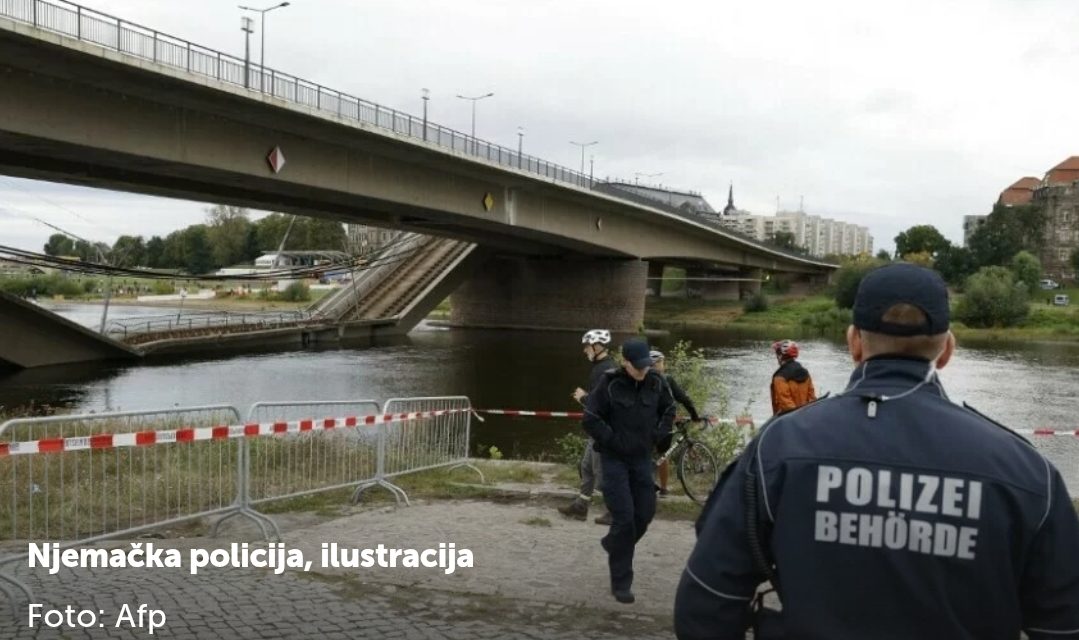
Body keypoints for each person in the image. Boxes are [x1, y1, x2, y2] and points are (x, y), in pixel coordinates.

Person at [674, 263, 1079, 639]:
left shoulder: (778, 449)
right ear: (947, 351)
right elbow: (1064, 625)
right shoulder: (1026, 472)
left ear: (854, 343)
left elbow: (706, 602)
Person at [583, 337, 675, 604]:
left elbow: (669, 408)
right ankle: (621, 582)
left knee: (644, 514)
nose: (643, 370)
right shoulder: (609, 383)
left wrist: (660, 433)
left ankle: (614, 543)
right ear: (625, 362)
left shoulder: (657, 382)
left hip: (642, 460)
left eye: (646, 365)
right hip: (613, 460)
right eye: (637, 366)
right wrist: (612, 440)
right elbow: (590, 419)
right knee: (624, 518)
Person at [558, 329, 619, 523]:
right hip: (596, 429)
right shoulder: (601, 367)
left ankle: (615, 512)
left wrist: (583, 397)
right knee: (586, 467)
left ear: (597, 346)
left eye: (587, 346)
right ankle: (581, 507)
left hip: (603, 429)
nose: (585, 350)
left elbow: (603, 404)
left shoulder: (605, 370)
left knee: (602, 473)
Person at [650, 349, 704, 496]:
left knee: (650, 454)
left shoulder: (641, 380)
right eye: (662, 362)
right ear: (657, 364)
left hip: (645, 423)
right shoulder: (667, 379)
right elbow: (684, 399)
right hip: (663, 424)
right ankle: (663, 488)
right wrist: (695, 416)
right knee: (663, 454)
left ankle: (650, 484)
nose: (663, 365)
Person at [769, 339, 816, 415]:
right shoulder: (805, 373)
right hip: (805, 417)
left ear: (780, 355)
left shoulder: (779, 377)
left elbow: (786, 404)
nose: (776, 357)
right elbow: (812, 399)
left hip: (788, 421)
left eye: (777, 354)